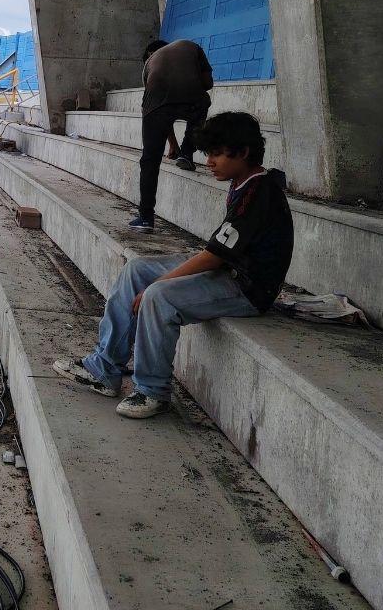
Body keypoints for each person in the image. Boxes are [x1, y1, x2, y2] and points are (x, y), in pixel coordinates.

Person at [53, 112, 292, 419]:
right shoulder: (244, 182)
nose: (209, 162)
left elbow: (214, 255)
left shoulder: (259, 192)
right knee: (137, 269)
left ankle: (152, 392)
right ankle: (105, 368)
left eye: (218, 154)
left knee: (159, 296)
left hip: (247, 287)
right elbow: (218, 252)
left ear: (243, 152)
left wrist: (160, 284)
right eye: (209, 154)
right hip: (228, 269)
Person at [131, 39, 213, 232]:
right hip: (191, 99)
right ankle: (187, 153)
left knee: (150, 160)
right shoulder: (191, 46)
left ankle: (145, 218)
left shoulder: (148, 66)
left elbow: (158, 111)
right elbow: (208, 83)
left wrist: (169, 144)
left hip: (155, 105)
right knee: (203, 101)